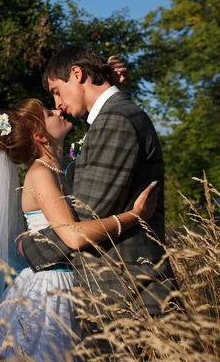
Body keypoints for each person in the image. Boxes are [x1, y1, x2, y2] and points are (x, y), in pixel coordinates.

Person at [0, 96, 158, 361]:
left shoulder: (60, 170)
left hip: (69, 279)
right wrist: (135, 215)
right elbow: (73, 236)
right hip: (52, 286)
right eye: (49, 113)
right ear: (41, 136)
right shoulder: (40, 174)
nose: (58, 110)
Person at [18, 45, 178, 357]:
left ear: (76, 74)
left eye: (56, 91)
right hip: (118, 294)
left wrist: (29, 246)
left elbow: (83, 217)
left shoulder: (115, 120)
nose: (59, 105)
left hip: (128, 294)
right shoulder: (113, 117)